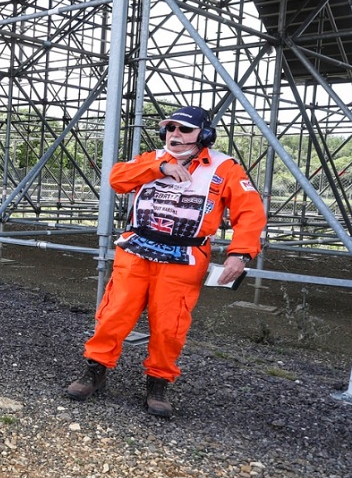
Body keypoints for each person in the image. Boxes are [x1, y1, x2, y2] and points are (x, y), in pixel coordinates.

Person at [65, 105, 266, 418]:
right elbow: (117, 178)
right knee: (115, 313)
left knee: (169, 326)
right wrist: (159, 168)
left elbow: (251, 212)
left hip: (184, 258)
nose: (175, 134)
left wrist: (240, 253)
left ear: (205, 135)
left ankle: (158, 383)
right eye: (171, 128)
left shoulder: (225, 168)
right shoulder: (152, 158)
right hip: (136, 250)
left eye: (184, 130)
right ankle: (96, 370)